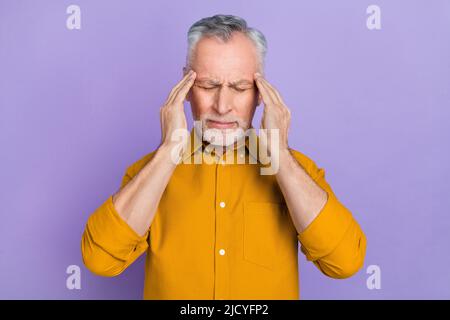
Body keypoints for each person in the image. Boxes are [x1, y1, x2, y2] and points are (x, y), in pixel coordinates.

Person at [81, 14, 367, 300]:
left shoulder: (298, 171)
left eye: (240, 88)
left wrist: (279, 153)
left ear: (260, 92)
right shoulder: (148, 172)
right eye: (208, 86)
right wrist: (169, 151)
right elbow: (100, 259)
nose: (222, 105)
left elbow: (344, 262)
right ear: (185, 88)